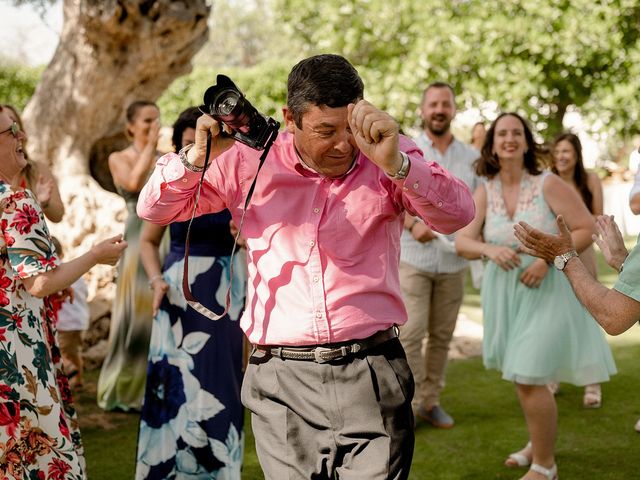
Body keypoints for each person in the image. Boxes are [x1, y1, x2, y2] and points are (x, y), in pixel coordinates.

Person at [137, 54, 475, 479]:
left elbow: (459, 214)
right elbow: (154, 207)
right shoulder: (247, 162)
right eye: (325, 131)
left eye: (348, 128)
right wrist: (194, 157)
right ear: (289, 118)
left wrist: (398, 165)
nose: (342, 144)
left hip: (371, 375)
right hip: (280, 383)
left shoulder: (388, 150)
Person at [455, 112, 616, 480]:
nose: (509, 139)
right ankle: (537, 443)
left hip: (546, 291)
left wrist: (548, 258)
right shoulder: (484, 189)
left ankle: (546, 466)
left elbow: (586, 228)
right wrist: (489, 250)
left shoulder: (547, 183)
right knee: (525, 376)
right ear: (492, 144)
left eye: (516, 133)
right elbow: (462, 242)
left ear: (527, 142)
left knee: (528, 374)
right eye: (502, 134)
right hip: (503, 296)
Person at [0, 105, 126, 478]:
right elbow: (38, 283)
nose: (22, 136)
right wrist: (94, 255)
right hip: (16, 355)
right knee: (36, 455)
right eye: (11, 132)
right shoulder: (14, 200)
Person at [135, 107, 247, 479]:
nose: (200, 149)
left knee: (224, 382)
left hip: (225, 291)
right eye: (189, 143)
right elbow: (149, 242)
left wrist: (242, 235)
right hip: (178, 294)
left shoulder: (236, 179)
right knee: (175, 384)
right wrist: (156, 281)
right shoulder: (170, 188)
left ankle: (219, 469)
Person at [399, 82, 480, 428]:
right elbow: (388, 191)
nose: (439, 110)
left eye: (445, 104)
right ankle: (411, 402)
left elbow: (476, 207)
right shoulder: (407, 148)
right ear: (422, 110)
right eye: (433, 104)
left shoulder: (472, 159)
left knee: (442, 337)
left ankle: (431, 401)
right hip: (413, 258)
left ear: (454, 109)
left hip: (452, 263)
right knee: (411, 333)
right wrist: (411, 223)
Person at [97, 100, 161, 411]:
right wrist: (150, 146)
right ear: (131, 126)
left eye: (157, 119)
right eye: (147, 120)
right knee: (135, 314)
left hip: (161, 237)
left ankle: (154, 387)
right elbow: (134, 183)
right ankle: (126, 389)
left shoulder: (166, 158)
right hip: (136, 238)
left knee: (156, 314)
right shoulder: (118, 158)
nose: (153, 125)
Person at [551, 132, 610, 408]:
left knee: (587, 313)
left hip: (582, 252)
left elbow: (597, 217)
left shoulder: (590, 180)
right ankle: (553, 375)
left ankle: (592, 381)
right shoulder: (547, 180)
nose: (561, 156)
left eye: (567, 151)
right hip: (552, 255)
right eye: (557, 151)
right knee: (556, 315)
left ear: (576, 154)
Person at [2, 104, 65, 223]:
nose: (19, 135)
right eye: (8, 128)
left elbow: (58, 216)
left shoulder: (37, 169)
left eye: (15, 124)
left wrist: (44, 203)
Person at [50, 236, 90, 390]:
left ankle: (70, 375)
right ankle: (78, 378)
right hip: (80, 319)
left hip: (66, 322)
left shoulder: (54, 271)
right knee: (74, 352)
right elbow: (85, 293)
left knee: (62, 352)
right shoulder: (74, 270)